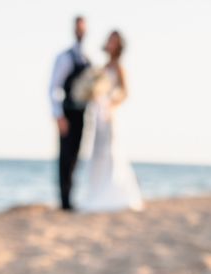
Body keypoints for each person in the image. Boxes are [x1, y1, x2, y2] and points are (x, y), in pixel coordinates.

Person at [80, 31, 143, 212]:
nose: (110, 44)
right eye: (109, 40)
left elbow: (125, 93)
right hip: (98, 114)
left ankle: (115, 194)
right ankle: (97, 192)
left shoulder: (119, 68)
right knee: (98, 153)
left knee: (111, 152)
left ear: (119, 46)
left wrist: (111, 106)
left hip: (110, 115)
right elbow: (96, 90)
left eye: (114, 42)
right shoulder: (102, 68)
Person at [49, 16, 90, 211]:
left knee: (75, 156)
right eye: (78, 28)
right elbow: (53, 87)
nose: (81, 31)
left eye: (83, 28)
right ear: (74, 30)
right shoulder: (65, 57)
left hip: (83, 113)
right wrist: (58, 115)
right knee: (65, 156)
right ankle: (64, 200)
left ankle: (70, 197)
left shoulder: (87, 59)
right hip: (67, 113)